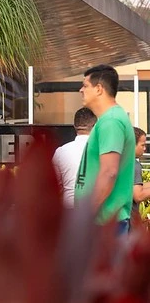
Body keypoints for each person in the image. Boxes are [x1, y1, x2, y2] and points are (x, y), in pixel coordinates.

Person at [74, 64, 134, 234]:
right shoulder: (109, 119)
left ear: (99, 89)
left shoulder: (111, 121)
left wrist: (84, 216)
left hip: (105, 226)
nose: (81, 90)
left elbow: (109, 172)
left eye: (85, 85)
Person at [52, 107, 96, 208]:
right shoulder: (102, 151)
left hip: (68, 210)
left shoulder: (61, 152)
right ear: (95, 126)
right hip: (94, 211)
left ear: (74, 126)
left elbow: (54, 186)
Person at [132, 127, 150, 221]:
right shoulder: (134, 165)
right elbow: (138, 195)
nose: (145, 148)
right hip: (129, 221)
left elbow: (134, 186)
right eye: (142, 145)